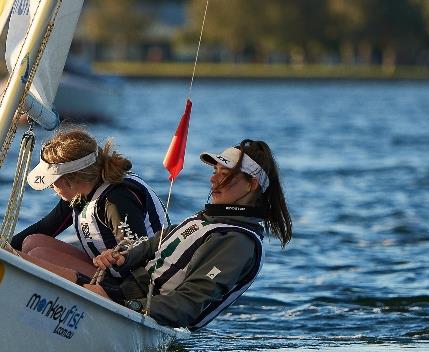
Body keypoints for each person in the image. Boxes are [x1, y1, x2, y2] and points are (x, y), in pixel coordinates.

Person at [84, 139, 292, 331]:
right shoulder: (208, 219)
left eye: (224, 174)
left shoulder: (238, 242)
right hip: (126, 290)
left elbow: (190, 302)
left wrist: (121, 305)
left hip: (150, 317)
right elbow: (155, 244)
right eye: (215, 171)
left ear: (251, 184)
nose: (213, 179)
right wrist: (123, 258)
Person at [12, 127, 169, 278]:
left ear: (71, 179)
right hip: (110, 272)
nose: (50, 187)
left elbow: (138, 252)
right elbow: (46, 227)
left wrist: (114, 256)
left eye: (53, 181)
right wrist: (2, 246)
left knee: (39, 256)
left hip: (135, 284)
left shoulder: (115, 201)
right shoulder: (82, 191)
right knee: (31, 242)